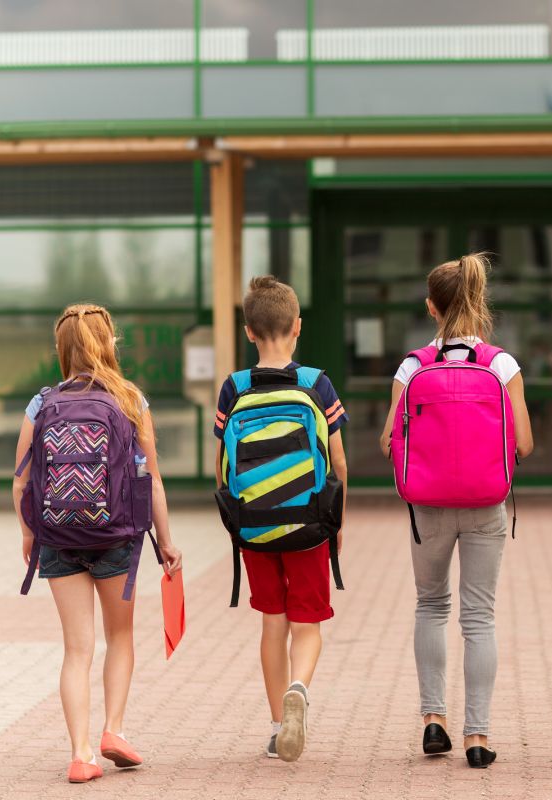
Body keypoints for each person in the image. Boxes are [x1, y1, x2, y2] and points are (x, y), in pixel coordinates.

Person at [12, 303, 183, 784]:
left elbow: (20, 482)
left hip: (58, 537)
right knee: (121, 637)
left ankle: (81, 753)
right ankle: (114, 730)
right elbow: (153, 480)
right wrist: (166, 542)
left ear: (61, 349)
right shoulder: (130, 399)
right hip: (116, 537)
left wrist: (30, 533)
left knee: (77, 649)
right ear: (108, 344)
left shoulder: (42, 404)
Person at [379, 253, 534, 769]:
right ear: (479, 302)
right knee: (479, 617)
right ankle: (478, 736)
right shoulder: (501, 364)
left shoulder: (413, 366)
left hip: (428, 506)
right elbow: (526, 443)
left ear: (431, 307)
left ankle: (432, 721)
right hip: (487, 504)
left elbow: (388, 440)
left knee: (430, 606)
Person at [214, 276, 348, 762]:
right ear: (297, 328)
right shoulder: (315, 383)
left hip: (254, 526)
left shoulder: (234, 387)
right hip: (309, 524)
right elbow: (338, 461)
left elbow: (222, 467)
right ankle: (299, 688)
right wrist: (336, 523)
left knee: (274, 621)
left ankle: (276, 727)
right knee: (307, 623)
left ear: (249, 331)